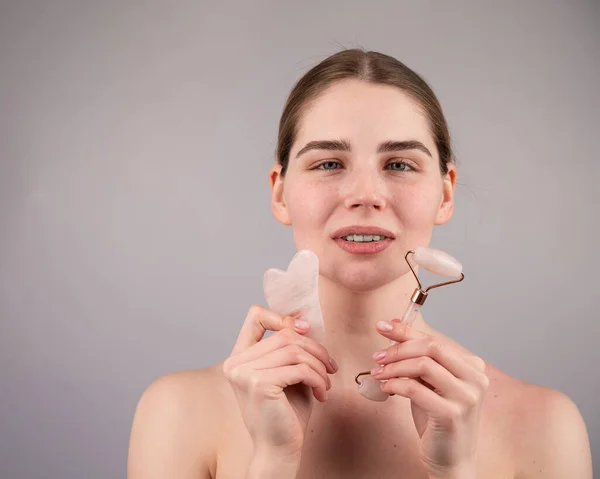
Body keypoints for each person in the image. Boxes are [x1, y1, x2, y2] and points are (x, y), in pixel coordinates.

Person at [127, 48, 593, 479]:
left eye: (400, 164)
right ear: (279, 191)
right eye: (328, 164)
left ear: (445, 193)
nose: (365, 195)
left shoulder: (545, 425)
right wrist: (271, 461)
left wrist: (456, 471)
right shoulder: (178, 413)